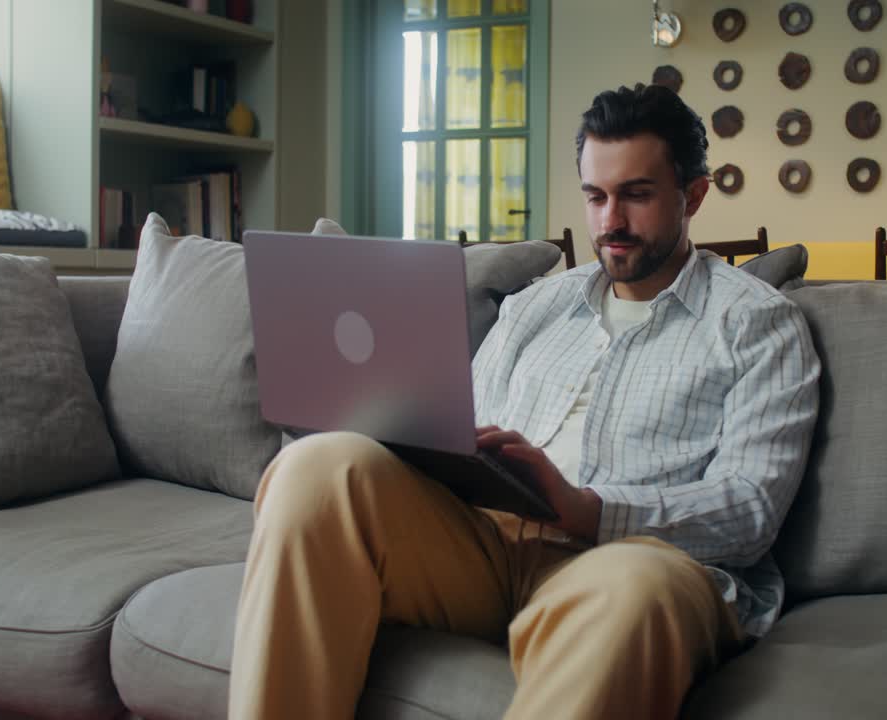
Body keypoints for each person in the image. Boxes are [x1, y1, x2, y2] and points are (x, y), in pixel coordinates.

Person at [229, 83, 821, 720]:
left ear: (694, 195)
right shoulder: (535, 306)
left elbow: (753, 508)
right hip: (484, 545)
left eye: (637, 195)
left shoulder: (759, 323)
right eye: (596, 196)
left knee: (634, 588)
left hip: (629, 562)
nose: (610, 222)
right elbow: (461, 429)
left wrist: (585, 509)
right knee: (317, 468)